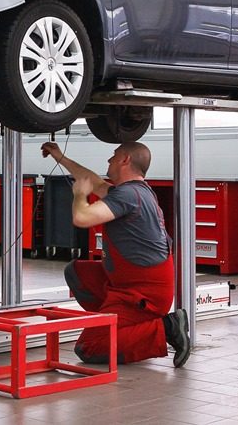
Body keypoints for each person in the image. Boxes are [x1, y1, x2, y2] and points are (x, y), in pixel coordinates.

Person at [41, 140, 191, 368]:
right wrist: (60, 157)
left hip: (144, 294)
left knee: (88, 347)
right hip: (128, 283)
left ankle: (167, 328)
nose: (109, 160)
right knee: (77, 272)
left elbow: (82, 217)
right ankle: (115, 322)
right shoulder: (136, 191)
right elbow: (92, 180)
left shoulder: (128, 195)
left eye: (113, 155)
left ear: (125, 159)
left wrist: (79, 195)